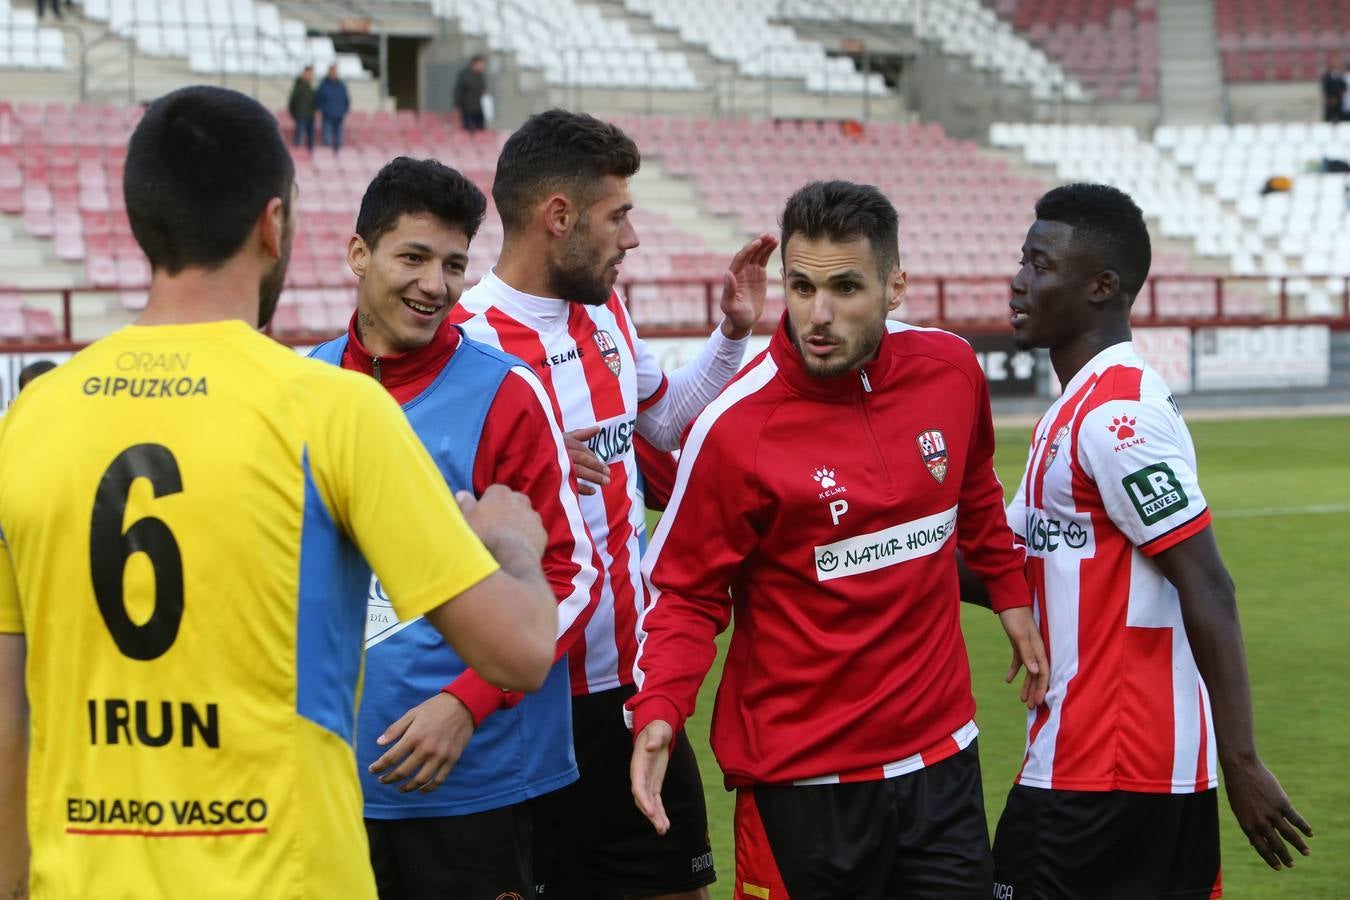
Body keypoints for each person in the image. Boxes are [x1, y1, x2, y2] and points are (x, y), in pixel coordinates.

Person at [0, 85, 558, 900]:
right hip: (285, 876)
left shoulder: (33, 417)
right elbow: (520, 649)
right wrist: (513, 542)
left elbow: (10, 706)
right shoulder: (328, 408)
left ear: (142, 222)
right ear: (274, 224)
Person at [627, 180, 1047, 899]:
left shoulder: (949, 369)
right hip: (801, 785)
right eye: (801, 286)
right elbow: (688, 594)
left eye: (846, 287)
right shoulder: (734, 431)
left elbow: (975, 486)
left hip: (941, 763)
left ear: (895, 286)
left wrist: (1010, 597)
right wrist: (661, 707)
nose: (817, 316)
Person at [450, 108, 778, 900]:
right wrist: (525, 458)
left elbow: (661, 420)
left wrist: (730, 336)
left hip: (635, 694)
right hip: (524, 708)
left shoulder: (605, 311)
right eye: (618, 216)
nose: (631, 237)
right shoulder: (466, 342)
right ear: (556, 217)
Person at [993, 182, 1313, 898]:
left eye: (1041, 265)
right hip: (1108, 763)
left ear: (1102, 286)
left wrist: (1243, 761)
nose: (1018, 280)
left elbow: (1207, 582)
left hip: (1108, 765)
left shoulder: (1117, 419)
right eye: (1023, 259)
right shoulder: (1073, 413)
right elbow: (1001, 567)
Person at [309, 156, 604, 899]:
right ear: (358, 254)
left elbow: (571, 575)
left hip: (474, 780)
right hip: (324, 784)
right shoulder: (299, 391)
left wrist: (465, 702)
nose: (435, 286)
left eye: (453, 264)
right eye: (412, 257)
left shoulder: (506, 394)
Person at [316, 64, 350, 153]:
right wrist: (325, 110)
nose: (333, 73)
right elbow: (318, 99)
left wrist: (343, 111)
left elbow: (346, 100)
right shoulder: (323, 85)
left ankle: (339, 161)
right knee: (327, 141)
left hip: (339, 117)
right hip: (328, 117)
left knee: (339, 142)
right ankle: (327, 161)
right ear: (329, 72)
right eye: (331, 71)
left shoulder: (341, 85)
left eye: (334, 71)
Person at [453, 55, 488, 132]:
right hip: (467, 110)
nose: (483, 66)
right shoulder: (464, 75)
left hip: (480, 110)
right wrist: (457, 106)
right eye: (481, 64)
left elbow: (483, 90)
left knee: (481, 131)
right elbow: (458, 91)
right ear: (474, 63)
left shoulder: (481, 76)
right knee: (468, 131)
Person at [288, 65, 316, 151]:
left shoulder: (310, 87)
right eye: (309, 73)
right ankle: (297, 156)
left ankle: (309, 158)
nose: (310, 76)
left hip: (310, 116)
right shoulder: (299, 85)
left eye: (311, 74)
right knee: (298, 139)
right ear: (305, 73)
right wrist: (295, 115)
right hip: (301, 116)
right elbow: (292, 101)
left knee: (311, 140)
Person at [1320, 57, 1345, 123]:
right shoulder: (1327, 76)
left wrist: (1340, 94)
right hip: (1330, 101)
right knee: (1330, 119)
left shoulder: (1340, 75)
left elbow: (1343, 86)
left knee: (1340, 119)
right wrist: (1330, 97)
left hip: (1339, 101)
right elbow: (1325, 87)